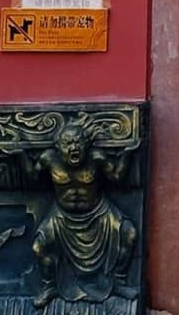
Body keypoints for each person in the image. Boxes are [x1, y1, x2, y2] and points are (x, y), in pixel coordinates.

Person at [28, 119, 137, 308]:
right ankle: (50, 286)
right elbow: (33, 178)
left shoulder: (96, 158)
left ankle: (119, 282)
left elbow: (117, 177)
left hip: (98, 213)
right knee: (39, 247)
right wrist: (19, 156)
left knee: (129, 234)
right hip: (62, 217)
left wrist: (128, 153)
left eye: (78, 142)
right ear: (58, 146)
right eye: (67, 143)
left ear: (85, 144)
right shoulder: (48, 159)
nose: (73, 147)